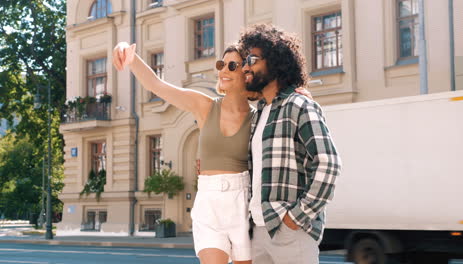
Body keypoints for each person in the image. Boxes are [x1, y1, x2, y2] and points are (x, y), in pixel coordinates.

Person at [112, 42, 310, 264]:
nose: (223, 70)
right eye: (221, 64)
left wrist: (295, 93)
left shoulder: (260, 117)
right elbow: (157, 85)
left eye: (232, 65)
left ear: (247, 73)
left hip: (243, 206)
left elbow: (284, 129)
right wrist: (129, 56)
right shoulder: (204, 106)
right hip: (208, 202)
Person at [239, 24, 342, 264]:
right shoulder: (258, 115)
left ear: (275, 61)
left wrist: (297, 216)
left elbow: (328, 163)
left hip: (289, 230)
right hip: (258, 230)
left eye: (252, 59)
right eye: (245, 60)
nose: (246, 67)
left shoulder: (299, 105)